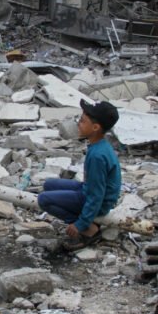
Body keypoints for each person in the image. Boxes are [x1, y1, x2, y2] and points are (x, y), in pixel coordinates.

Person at [37, 100, 121, 250]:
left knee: (44, 200)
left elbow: (96, 195)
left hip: (99, 201)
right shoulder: (99, 145)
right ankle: (86, 220)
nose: (78, 124)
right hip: (88, 189)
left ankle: (89, 229)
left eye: (82, 121)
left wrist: (81, 222)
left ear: (95, 127)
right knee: (48, 185)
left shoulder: (97, 156)